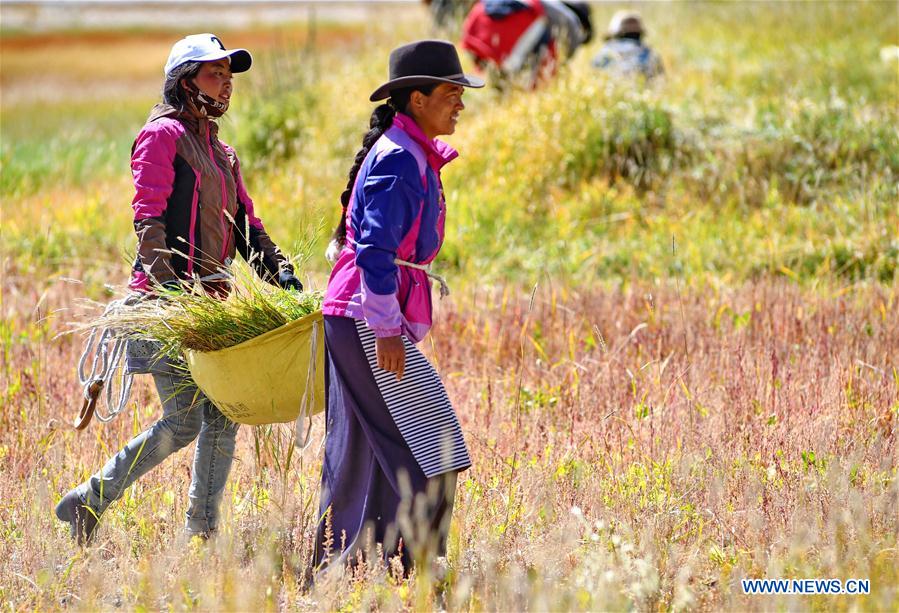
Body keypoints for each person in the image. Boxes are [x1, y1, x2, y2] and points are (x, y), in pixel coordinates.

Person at [54, 33, 303, 544]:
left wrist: (283, 275)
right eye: (215, 74)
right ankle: (91, 500)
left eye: (229, 77)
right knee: (188, 420)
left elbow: (247, 228)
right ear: (184, 82)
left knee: (223, 417)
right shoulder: (161, 136)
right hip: (164, 302)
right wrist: (173, 295)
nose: (226, 86)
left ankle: (200, 533)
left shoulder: (223, 153)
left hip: (213, 304)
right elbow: (148, 220)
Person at [317, 40, 483, 575]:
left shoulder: (407, 152)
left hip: (359, 316)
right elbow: (374, 250)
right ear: (416, 99)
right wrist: (387, 327)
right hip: (367, 319)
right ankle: (421, 574)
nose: (460, 102)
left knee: (366, 450)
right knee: (435, 445)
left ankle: (356, 571)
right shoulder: (398, 159)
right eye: (450, 92)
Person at [460, 0, 590, 88]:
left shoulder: (550, 7)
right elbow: (565, 56)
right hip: (506, 38)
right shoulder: (570, 19)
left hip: (476, 27)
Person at [592, 10, 664, 80]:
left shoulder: (606, 51)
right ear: (640, 33)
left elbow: (594, 74)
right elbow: (660, 80)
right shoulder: (650, 53)